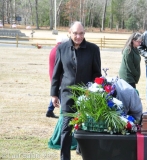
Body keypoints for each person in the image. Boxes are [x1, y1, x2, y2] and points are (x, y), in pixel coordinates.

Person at [50, 21, 102, 160]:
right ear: (69, 32)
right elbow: (57, 72)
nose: (78, 36)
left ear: (84, 33)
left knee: (86, 127)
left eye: (81, 33)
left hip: (86, 95)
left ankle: (85, 154)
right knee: (66, 128)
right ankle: (64, 157)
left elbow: (97, 74)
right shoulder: (62, 49)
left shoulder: (93, 49)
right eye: (75, 33)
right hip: (67, 94)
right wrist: (54, 94)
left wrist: (93, 92)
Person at [46, 35, 69, 118]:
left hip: (53, 74)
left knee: (56, 93)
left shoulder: (53, 49)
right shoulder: (60, 50)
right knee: (62, 93)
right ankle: (63, 112)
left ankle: (50, 110)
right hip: (58, 76)